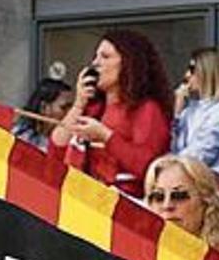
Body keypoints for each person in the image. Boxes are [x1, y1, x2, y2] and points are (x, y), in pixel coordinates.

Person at [49, 29, 172, 198]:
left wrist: (106, 137)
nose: (95, 63)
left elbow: (150, 166)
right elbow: (56, 150)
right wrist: (78, 104)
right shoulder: (93, 108)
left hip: (124, 206)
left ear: (129, 63)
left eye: (105, 57)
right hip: (83, 198)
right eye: (96, 56)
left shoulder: (146, 109)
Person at [170, 47, 219, 174]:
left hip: (209, 182)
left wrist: (172, 166)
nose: (187, 75)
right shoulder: (189, 109)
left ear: (208, 71)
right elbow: (172, 148)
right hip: (184, 178)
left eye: (192, 70)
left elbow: (204, 151)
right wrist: (177, 114)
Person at [13, 78, 73, 152]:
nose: (70, 113)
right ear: (44, 107)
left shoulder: (72, 140)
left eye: (72, 108)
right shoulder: (19, 138)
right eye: (64, 108)